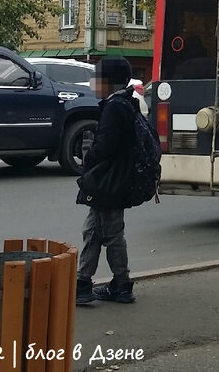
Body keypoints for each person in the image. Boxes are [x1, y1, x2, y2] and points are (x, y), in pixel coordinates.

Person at [76, 56, 139, 305]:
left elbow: (105, 147)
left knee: (104, 232)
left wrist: (87, 157)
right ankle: (90, 282)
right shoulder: (126, 102)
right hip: (117, 178)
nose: (93, 83)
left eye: (97, 78)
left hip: (108, 181)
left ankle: (116, 285)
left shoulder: (115, 107)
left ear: (110, 82)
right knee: (96, 229)